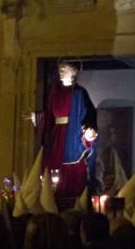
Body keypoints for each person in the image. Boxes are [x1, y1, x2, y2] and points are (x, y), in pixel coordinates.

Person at [40, 60, 98, 201]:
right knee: (53, 165)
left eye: (64, 69)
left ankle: (75, 199)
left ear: (74, 72)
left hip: (73, 135)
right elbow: (49, 115)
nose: (61, 71)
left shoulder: (79, 93)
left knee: (73, 166)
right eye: (60, 69)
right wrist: (35, 117)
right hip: (57, 136)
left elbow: (89, 114)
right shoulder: (54, 92)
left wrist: (89, 128)